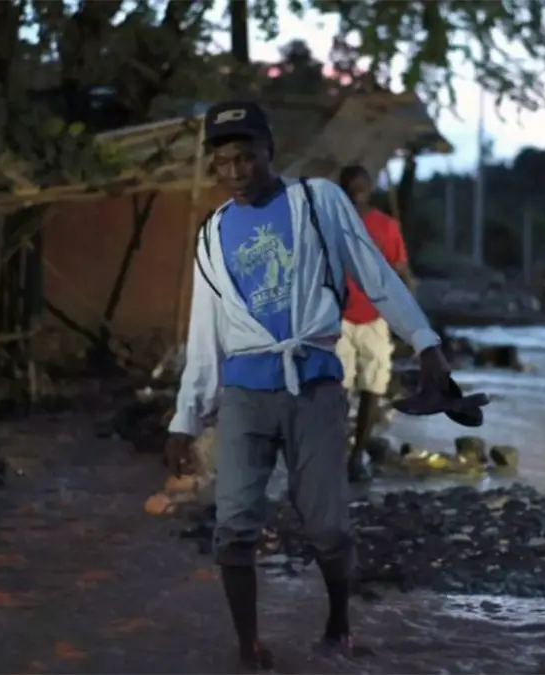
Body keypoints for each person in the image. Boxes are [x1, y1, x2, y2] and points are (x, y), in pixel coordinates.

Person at [163, 101, 451, 670]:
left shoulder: (318, 201)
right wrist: (183, 418)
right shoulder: (213, 234)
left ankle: (338, 623)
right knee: (234, 527)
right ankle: (248, 646)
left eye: (246, 157)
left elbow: (374, 274)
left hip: (316, 384)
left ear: (270, 151)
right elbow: (205, 334)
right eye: (223, 162)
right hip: (245, 393)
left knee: (326, 526)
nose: (235, 172)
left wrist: (425, 341)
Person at [335, 165, 415, 483]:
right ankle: (342, 454)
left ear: (368, 191)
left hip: (374, 317)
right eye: (351, 191)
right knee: (341, 391)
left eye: (360, 190)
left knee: (372, 387)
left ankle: (356, 456)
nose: (356, 197)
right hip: (337, 318)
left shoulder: (386, 226)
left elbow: (401, 271)